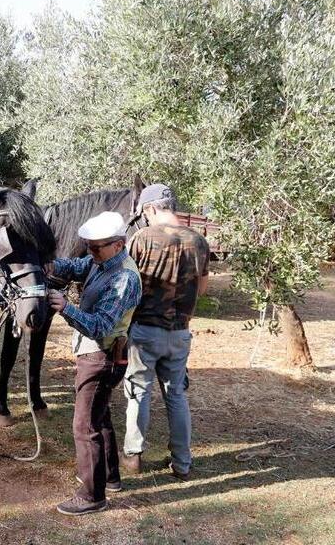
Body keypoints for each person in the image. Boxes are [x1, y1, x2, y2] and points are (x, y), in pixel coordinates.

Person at [46, 211, 141, 516]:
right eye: (88, 246)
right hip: (98, 355)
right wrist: (48, 264)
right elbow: (75, 266)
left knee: (84, 425)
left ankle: (91, 496)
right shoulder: (101, 262)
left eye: (96, 247)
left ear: (118, 244)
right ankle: (109, 477)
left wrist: (66, 308)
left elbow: (101, 326)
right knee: (99, 417)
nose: (91, 252)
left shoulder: (124, 278)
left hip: (101, 357)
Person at [121, 184, 210, 481]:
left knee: (139, 393)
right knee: (176, 396)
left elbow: (127, 285)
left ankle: (133, 456)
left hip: (145, 331)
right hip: (180, 333)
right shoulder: (199, 241)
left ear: (150, 209)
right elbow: (202, 288)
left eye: (144, 213)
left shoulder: (141, 238)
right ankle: (182, 463)